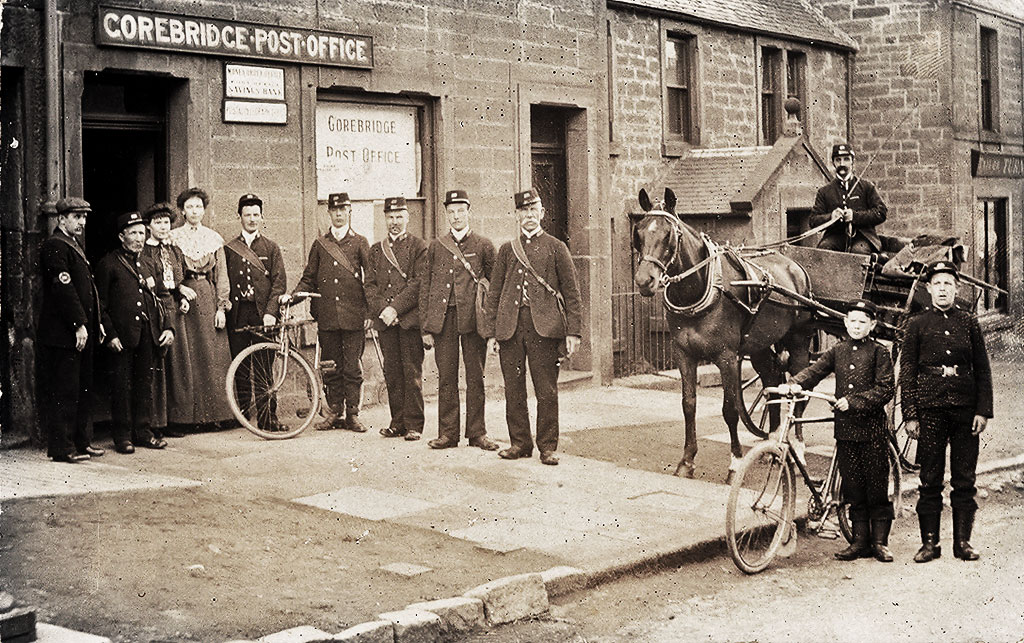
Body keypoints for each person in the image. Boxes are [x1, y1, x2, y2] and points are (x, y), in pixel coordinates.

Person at [781, 299, 896, 562]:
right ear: (845, 323)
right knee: (853, 487)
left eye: (862, 322)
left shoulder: (880, 353)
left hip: (872, 432)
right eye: (852, 321)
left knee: (876, 487)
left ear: (872, 325)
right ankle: (859, 542)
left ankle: (880, 542)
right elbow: (815, 370)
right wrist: (796, 383)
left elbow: (885, 388)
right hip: (845, 431)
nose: (856, 326)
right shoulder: (838, 351)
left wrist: (854, 402)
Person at [899, 260, 993, 563]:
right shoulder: (916, 324)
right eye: (937, 283)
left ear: (957, 288)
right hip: (930, 409)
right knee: (930, 478)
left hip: (966, 409)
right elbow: (908, 370)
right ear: (929, 288)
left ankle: (962, 543)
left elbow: (982, 369)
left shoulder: (969, 322)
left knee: (964, 477)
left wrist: (983, 410)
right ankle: (930, 544)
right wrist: (910, 414)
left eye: (948, 284)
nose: (942, 289)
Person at [485, 189, 582, 465]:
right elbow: (495, 293)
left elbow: (572, 293)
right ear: (517, 215)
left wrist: (573, 332)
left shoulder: (556, 247)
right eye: (523, 211)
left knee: (546, 390)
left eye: (533, 210)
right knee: (513, 388)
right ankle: (519, 443)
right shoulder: (507, 250)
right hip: (510, 329)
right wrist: (491, 333)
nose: (528, 216)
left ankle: (547, 446)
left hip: (545, 330)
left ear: (541, 213)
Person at [420, 189, 499, 451]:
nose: (456, 216)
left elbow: (496, 286)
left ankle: (477, 433)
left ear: (469, 212)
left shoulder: (484, 245)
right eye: (451, 212)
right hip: (444, 320)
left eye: (460, 211)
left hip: (473, 320)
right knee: (446, 377)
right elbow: (426, 287)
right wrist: (426, 327)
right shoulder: (436, 246)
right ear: (446, 214)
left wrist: (492, 327)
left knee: (475, 376)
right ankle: (448, 433)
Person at [286, 192, 371, 432]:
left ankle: (353, 414)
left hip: (354, 316)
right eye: (335, 210)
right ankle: (334, 412)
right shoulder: (320, 244)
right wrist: (292, 297)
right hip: (328, 316)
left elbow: (370, 280)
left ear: (349, 211)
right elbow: (308, 278)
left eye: (343, 209)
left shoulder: (360, 243)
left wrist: (369, 313)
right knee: (331, 367)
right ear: (329, 213)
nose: (339, 214)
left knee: (352, 367)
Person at [95, 212, 175, 453]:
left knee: (144, 384)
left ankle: (143, 432)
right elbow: (100, 305)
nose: (139, 238)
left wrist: (168, 327)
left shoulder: (149, 264)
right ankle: (122, 437)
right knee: (121, 386)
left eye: (142, 233)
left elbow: (162, 298)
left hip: (147, 335)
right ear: (122, 236)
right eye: (133, 233)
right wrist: (110, 335)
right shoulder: (109, 264)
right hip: (122, 337)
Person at [37, 197, 109, 463]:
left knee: (83, 388)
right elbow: (63, 290)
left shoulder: (73, 245)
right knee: (65, 389)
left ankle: (81, 441)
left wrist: (96, 322)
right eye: (76, 217)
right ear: (61, 219)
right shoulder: (56, 246)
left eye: (84, 217)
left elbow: (87, 290)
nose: (82, 222)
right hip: (65, 332)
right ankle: (61, 447)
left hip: (82, 330)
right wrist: (79, 324)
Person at [167, 187, 235, 430]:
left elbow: (222, 276)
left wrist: (221, 308)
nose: (194, 211)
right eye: (190, 207)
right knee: (186, 356)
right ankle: (187, 419)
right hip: (184, 298)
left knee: (211, 355)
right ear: (183, 211)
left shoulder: (213, 238)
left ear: (204, 210)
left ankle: (216, 415)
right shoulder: (174, 238)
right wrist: (178, 290)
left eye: (198, 206)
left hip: (206, 296)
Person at [224, 193, 288, 432]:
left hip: (263, 315)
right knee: (241, 367)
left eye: (256, 215)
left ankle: (268, 420)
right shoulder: (229, 248)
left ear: (262, 217)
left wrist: (271, 312)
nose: (252, 219)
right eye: (247, 214)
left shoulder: (271, 248)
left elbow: (280, 283)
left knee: (263, 367)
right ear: (239, 217)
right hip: (239, 314)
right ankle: (241, 418)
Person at [366, 196, 427, 441]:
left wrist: (395, 309)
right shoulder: (376, 250)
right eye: (390, 217)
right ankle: (397, 422)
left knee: (411, 372)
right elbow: (369, 286)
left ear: (407, 218)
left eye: (399, 216)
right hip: (386, 322)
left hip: (408, 320)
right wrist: (383, 310)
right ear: (385, 219)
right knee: (392, 373)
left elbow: (418, 283)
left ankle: (414, 425)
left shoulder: (419, 247)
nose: (394, 222)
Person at [140, 202, 195, 440]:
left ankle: (174, 419)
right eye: (158, 223)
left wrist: (182, 295)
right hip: (155, 309)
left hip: (174, 309)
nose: (163, 227)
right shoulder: (144, 251)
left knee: (175, 366)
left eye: (166, 223)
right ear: (149, 226)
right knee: (157, 366)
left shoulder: (174, 250)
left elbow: (179, 277)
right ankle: (155, 422)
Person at [810, 143, 888, 255]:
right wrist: (831, 217)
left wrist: (855, 216)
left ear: (852, 162)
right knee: (824, 249)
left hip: (863, 236)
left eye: (846, 159)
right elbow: (813, 220)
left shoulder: (866, 187)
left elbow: (881, 212)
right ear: (833, 163)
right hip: (835, 236)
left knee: (858, 252)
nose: (842, 164)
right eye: (838, 160)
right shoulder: (824, 191)